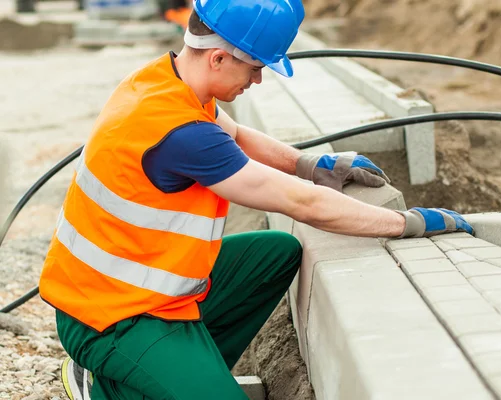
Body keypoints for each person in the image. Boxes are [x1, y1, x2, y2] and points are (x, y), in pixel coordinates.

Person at [40, 0, 473, 398]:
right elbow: (303, 205)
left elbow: (238, 137)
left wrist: (311, 163)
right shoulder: (180, 133)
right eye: (255, 67)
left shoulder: (168, 81)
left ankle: (176, 372)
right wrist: (407, 223)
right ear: (218, 57)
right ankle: (108, 386)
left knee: (277, 253)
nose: (258, 79)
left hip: (145, 289)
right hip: (109, 317)